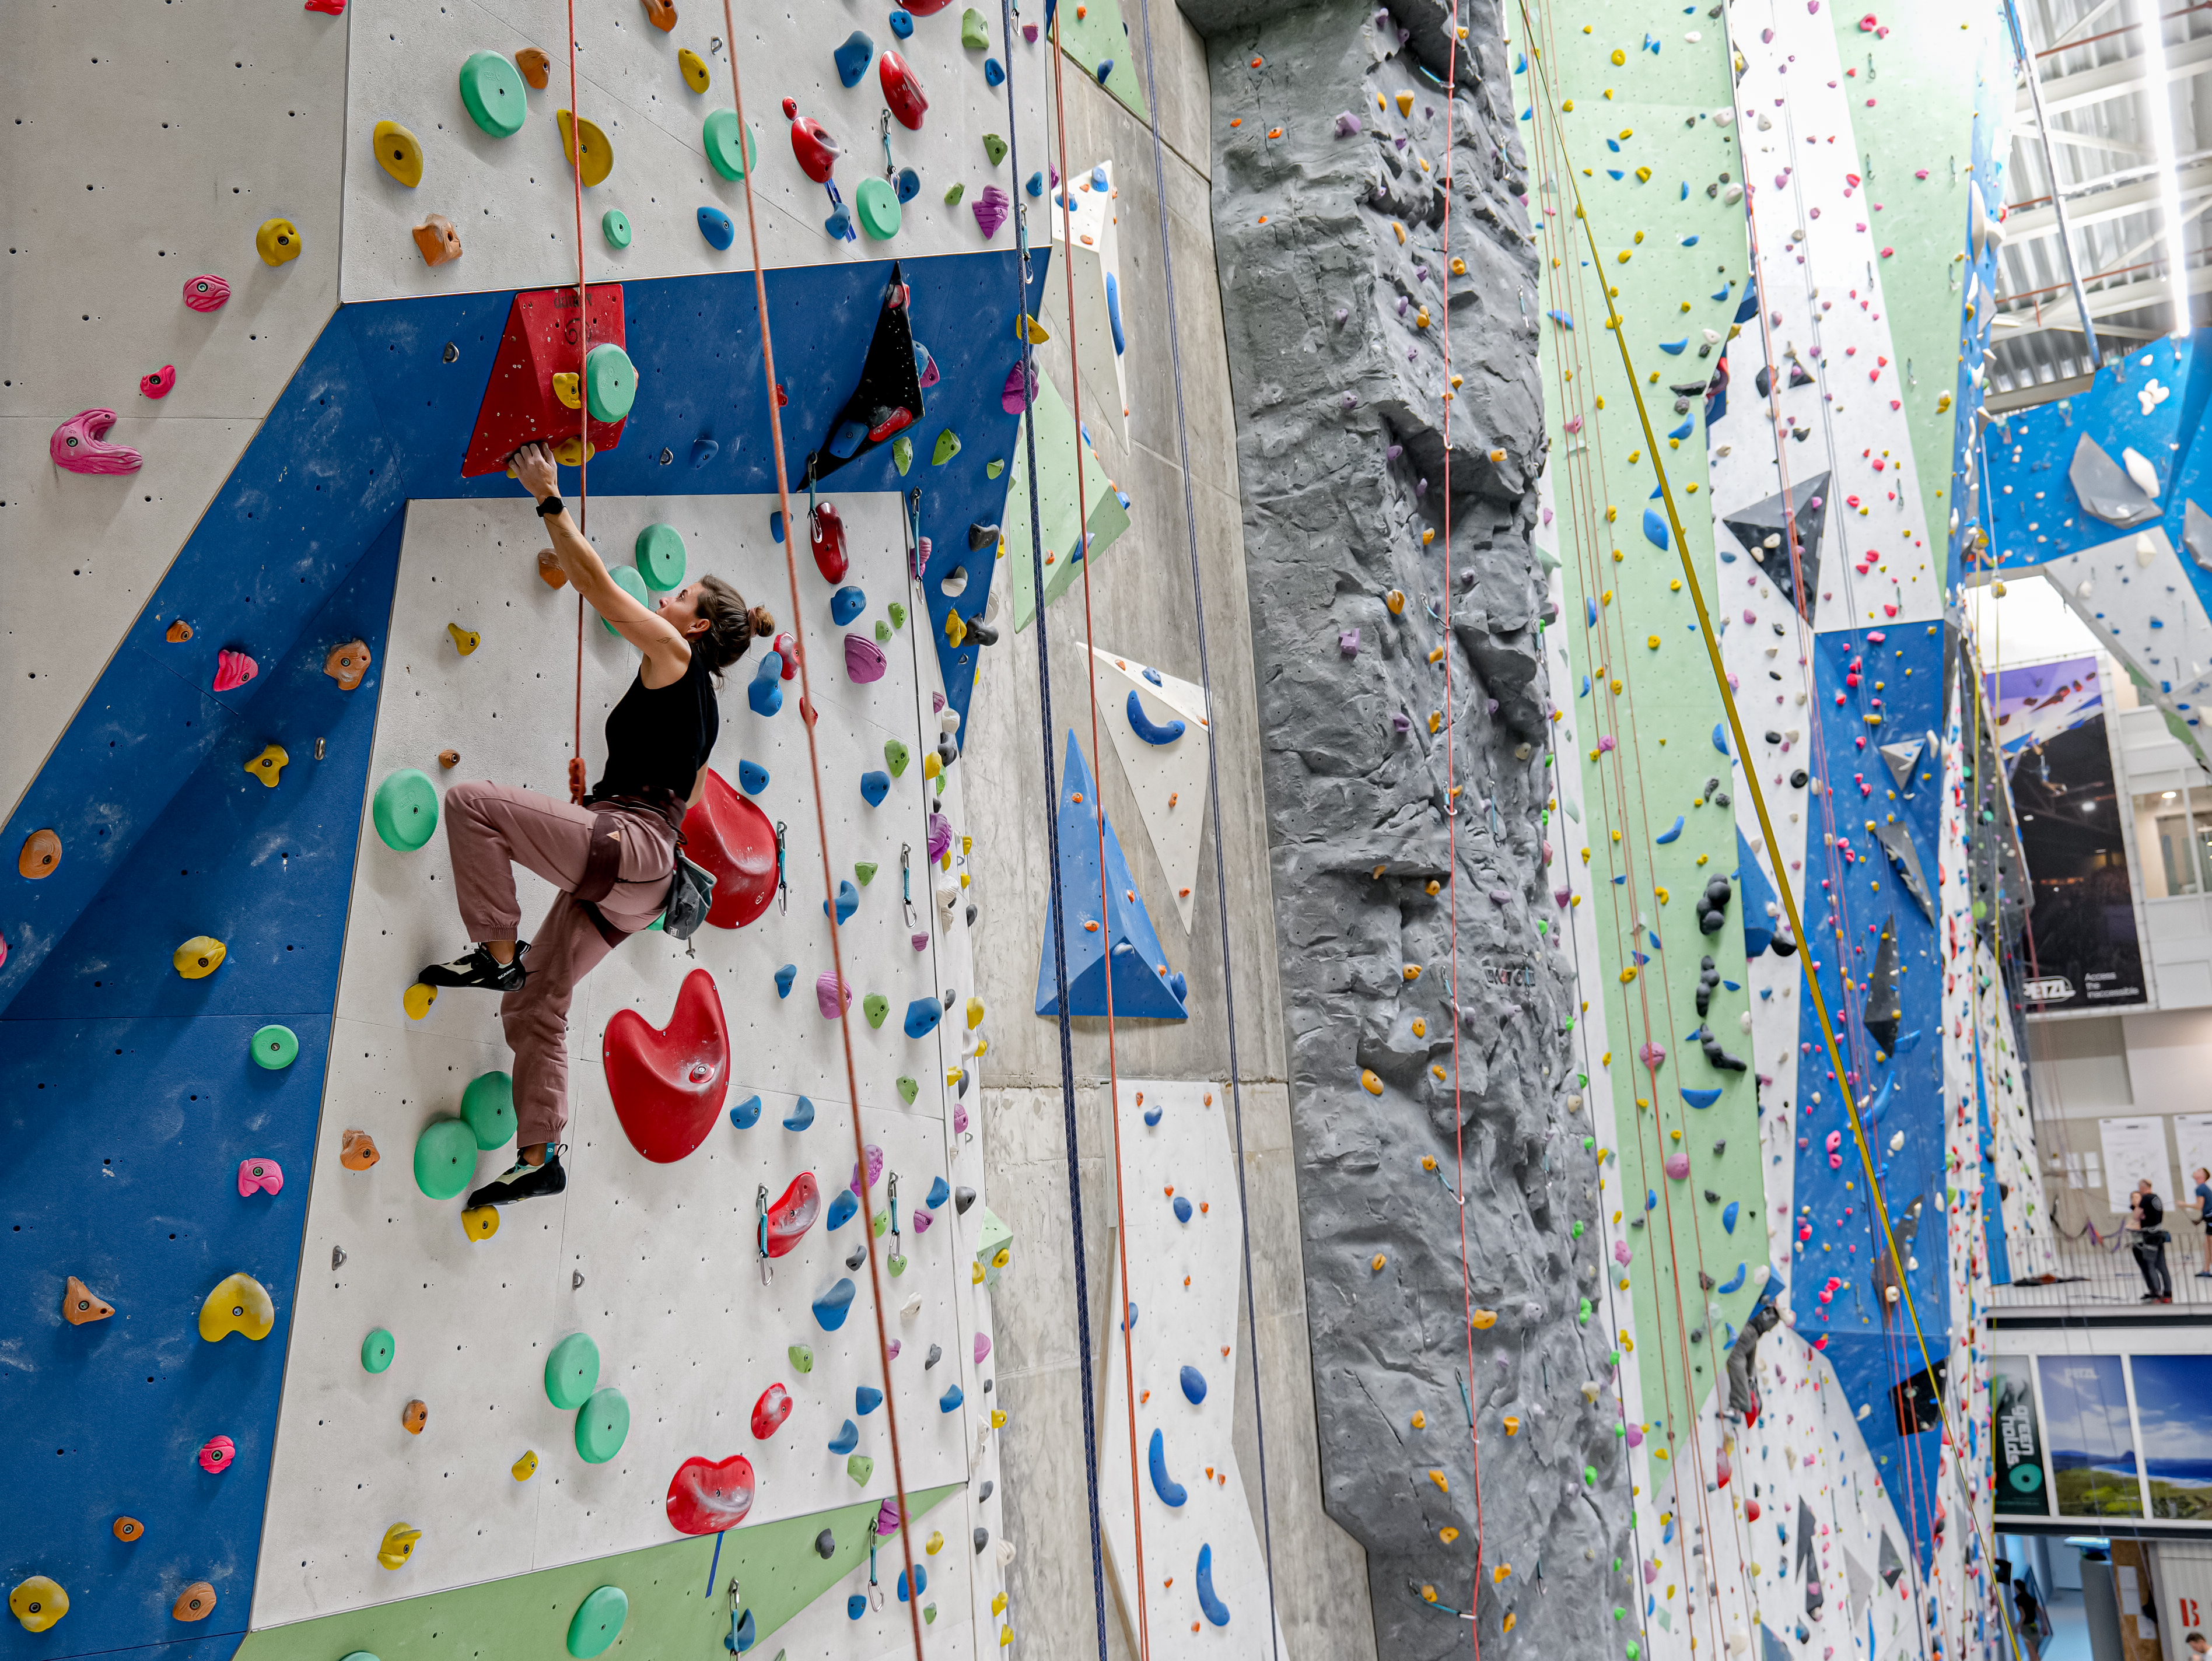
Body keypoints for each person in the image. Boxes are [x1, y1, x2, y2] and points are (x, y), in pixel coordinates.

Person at [416, 440, 773, 1211]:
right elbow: (676, 800)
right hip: (642, 884)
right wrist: (597, 808)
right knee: (537, 1005)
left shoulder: (677, 650)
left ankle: (498, 953)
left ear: (699, 623)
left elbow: (602, 592)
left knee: (470, 806)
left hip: (633, 853)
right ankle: (539, 1154)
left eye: (679, 594)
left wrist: (548, 495)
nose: (667, 599)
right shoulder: (709, 720)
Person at [2129, 1178, 2173, 1303]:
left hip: (2150, 1237)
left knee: (2150, 1265)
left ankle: (2156, 1293)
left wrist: (2140, 1214)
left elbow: (2135, 1216)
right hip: (2159, 1235)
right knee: (2162, 1266)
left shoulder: (2146, 1199)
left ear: (2143, 1187)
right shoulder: (2156, 1198)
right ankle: (2168, 1293)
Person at [2193, 1165, 2212, 1278]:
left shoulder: (2201, 1189)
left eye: (2199, 1170)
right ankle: (2206, 1269)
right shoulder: (2203, 1188)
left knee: (2209, 1245)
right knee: (2207, 1244)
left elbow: (2199, 1206)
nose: (2196, 1171)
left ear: (2203, 1176)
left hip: (2211, 1219)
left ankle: (2206, 1269)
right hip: (2208, 1219)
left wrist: (2182, 1204)